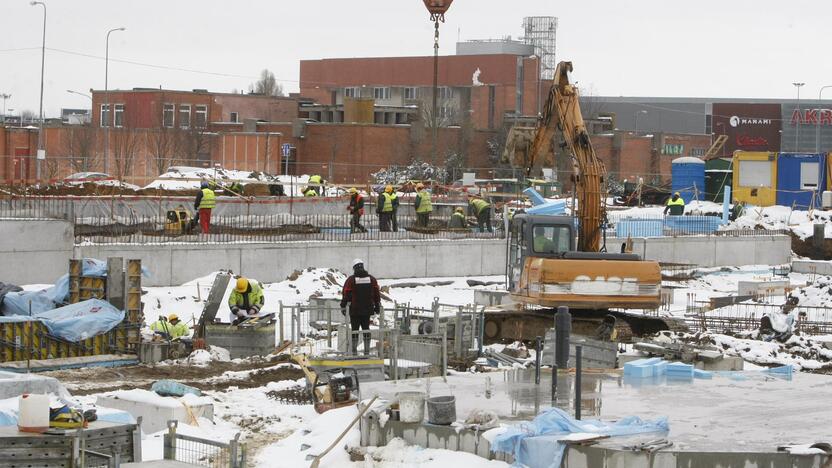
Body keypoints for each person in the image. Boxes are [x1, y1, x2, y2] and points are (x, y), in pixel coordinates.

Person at [340, 259, 380, 355]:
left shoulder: (351, 280)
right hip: (367, 310)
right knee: (366, 329)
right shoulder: (372, 279)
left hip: (355, 310)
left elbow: (346, 293)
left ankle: (354, 351)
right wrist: (377, 305)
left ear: (354, 268)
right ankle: (366, 351)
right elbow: (376, 293)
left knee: (355, 330)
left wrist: (343, 305)